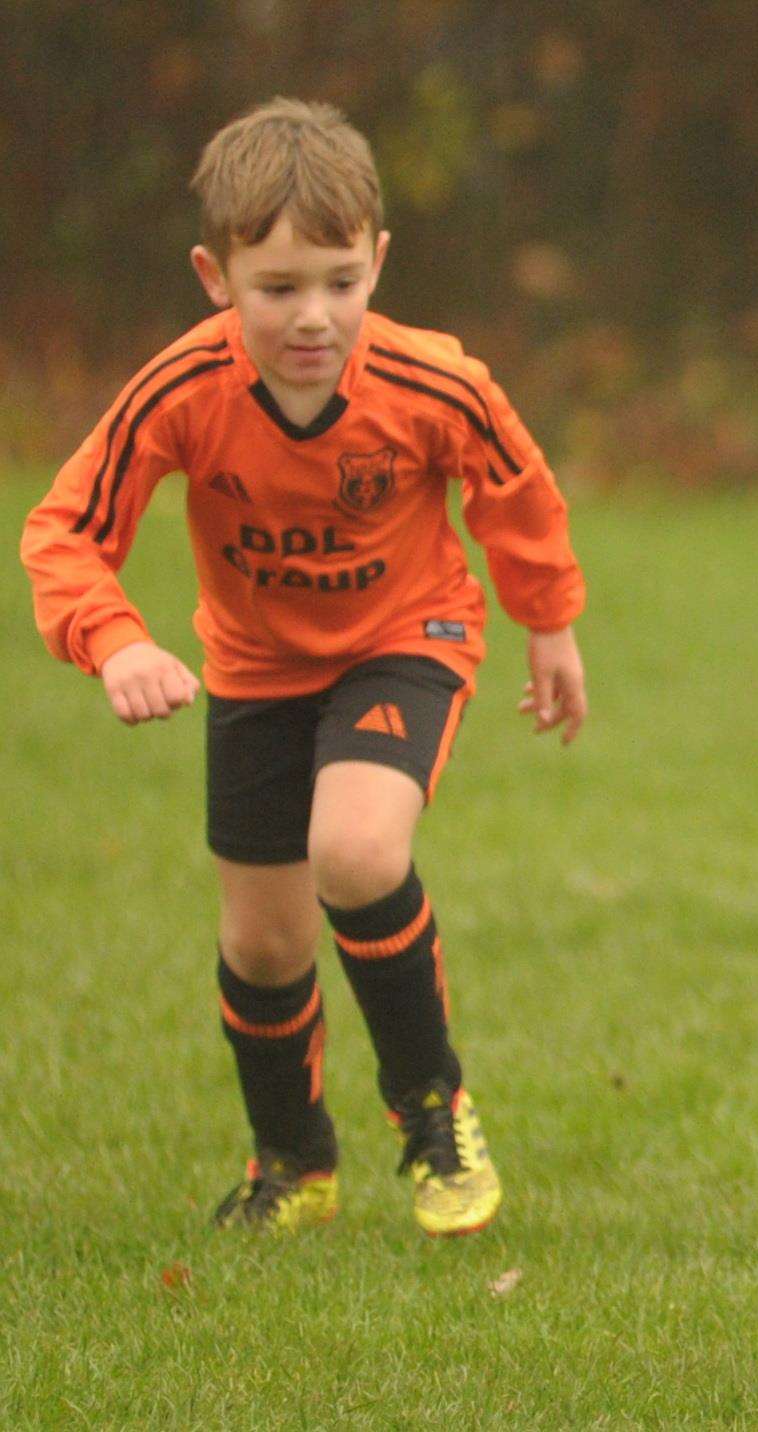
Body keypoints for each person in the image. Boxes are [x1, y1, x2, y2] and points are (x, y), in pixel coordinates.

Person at [19, 98, 588, 1238]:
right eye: (279, 288)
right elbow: (64, 529)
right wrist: (116, 638)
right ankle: (293, 1163)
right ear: (214, 275)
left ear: (378, 259)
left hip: (405, 641)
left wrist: (549, 619)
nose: (314, 316)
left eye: (339, 279)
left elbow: (513, 488)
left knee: (358, 848)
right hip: (254, 669)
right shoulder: (178, 392)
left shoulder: (433, 383)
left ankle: (434, 1108)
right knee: (263, 940)